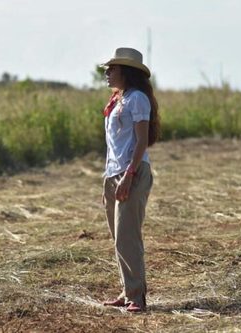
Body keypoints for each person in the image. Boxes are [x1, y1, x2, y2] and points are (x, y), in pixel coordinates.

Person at [100, 47, 159, 313]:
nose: (107, 73)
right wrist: (112, 177)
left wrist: (128, 175)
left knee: (128, 236)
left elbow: (141, 141)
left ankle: (137, 296)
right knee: (118, 237)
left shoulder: (137, 100)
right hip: (113, 174)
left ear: (126, 71)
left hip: (131, 174)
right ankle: (127, 291)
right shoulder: (118, 99)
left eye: (111, 69)